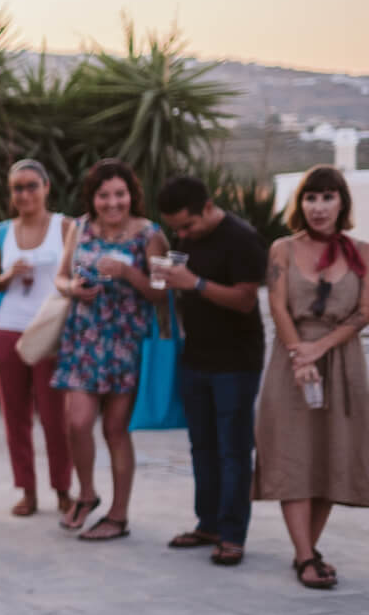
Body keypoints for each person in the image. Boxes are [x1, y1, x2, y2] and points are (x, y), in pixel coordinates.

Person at [254, 165, 369, 589]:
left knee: (330, 456)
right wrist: (299, 356)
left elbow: (364, 312)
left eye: (327, 197)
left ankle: (308, 549)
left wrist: (319, 350)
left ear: (342, 203)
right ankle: (305, 556)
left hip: (341, 362)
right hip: (292, 360)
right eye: (310, 197)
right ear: (300, 203)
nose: (318, 207)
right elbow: (279, 307)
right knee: (292, 454)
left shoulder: (363, 252)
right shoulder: (282, 249)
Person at [154, 174, 269, 567]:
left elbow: (244, 300)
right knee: (201, 447)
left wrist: (195, 282)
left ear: (207, 206)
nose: (183, 234)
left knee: (233, 450)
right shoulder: (186, 240)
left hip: (236, 361)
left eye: (187, 225)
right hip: (196, 357)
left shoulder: (242, 237)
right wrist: (167, 278)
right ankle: (209, 524)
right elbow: (173, 282)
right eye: (176, 229)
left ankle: (233, 535)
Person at [51, 158, 169, 541]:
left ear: (131, 195)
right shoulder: (80, 226)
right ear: (93, 197)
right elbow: (60, 276)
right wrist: (74, 289)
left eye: (120, 194)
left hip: (127, 342)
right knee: (77, 423)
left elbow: (161, 291)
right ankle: (86, 494)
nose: (113, 202)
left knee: (116, 430)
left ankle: (119, 515)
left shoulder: (150, 234)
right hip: (84, 338)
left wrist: (129, 273)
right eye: (104, 195)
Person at [0, 159, 74, 518]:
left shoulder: (65, 227)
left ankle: (63, 489)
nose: (24, 194)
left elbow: (76, 273)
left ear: (47, 187)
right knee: (14, 416)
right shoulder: (0, 233)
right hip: (7, 329)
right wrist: (7, 276)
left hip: (49, 331)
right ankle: (27, 490)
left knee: (55, 417)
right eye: (17, 188)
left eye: (31, 185)